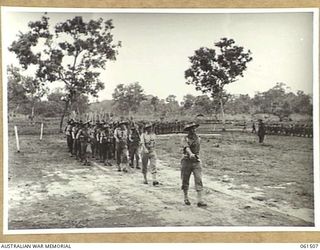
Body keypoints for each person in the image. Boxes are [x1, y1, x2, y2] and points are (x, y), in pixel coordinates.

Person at [181, 122, 207, 207]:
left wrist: (197, 157)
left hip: (196, 161)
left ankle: (200, 200)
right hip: (186, 161)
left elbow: (199, 150)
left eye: (194, 128)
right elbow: (187, 148)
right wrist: (190, 154)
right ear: (188, 131)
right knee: (185, 179)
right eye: (191, 129)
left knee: (198, 179)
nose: (193, 130)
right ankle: (186, 197)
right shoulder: (185, 139)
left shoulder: (198, 138)